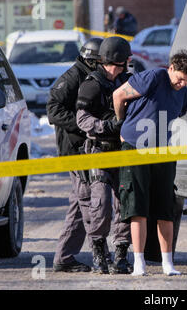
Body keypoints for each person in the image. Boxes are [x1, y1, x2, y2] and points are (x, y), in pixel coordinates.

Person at [113, 50, 187, 276]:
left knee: (165, 208)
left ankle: (167, 264)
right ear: (171, 68)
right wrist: (122, 126)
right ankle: (139, 263)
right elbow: (118, 95)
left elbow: (175, 114)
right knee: (137, 207)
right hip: (135, 148)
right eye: (180, 78)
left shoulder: (184, 94)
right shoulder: (153, 77)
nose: (183, 84)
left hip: (163, 152)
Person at [75, 36, 133, 274]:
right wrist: (107, 127)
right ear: (116, 61)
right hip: (99, 150)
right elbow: (82, 120)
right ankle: (99, 253)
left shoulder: (125, 81)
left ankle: (121, 254)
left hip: (122, 151)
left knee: (125, 204)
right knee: (100, 204)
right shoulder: (92, 84)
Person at [48, 38, 102, 273]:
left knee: (79, 204)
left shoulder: (89, 76)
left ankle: (65, 256)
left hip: (84, 148)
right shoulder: (72, 77)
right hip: (75, 149)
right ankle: (95, 255)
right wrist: (83, 126)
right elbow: (53, 110)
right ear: (92, 60)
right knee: (86, 200)